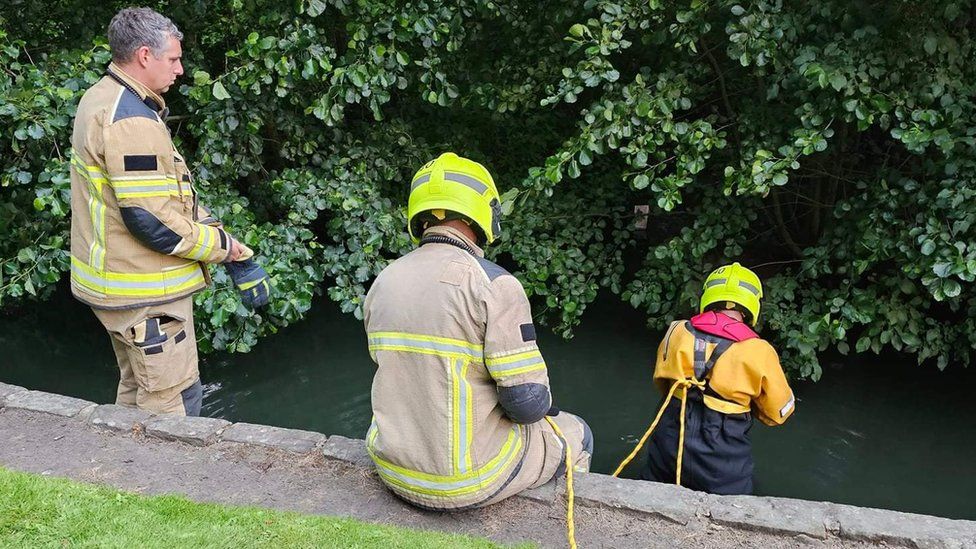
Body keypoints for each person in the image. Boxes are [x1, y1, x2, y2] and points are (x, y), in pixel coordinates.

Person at [362, 152, 593, 510]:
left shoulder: (383, 281)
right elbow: (527, 404)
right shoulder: (494, 283)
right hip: (464, 480)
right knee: (578, 431)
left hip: (392, 468)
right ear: (484, 213)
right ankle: (571, 510)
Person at [69, 7, 270, 416]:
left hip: (120, 288)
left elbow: (171, 197)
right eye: (173, 59)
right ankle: (161, 483)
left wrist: (226, 242)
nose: (180, 69)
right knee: (172, 404)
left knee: (134, 392)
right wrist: (227, 250)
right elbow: (151, 221)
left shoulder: (103, 98)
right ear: (145, 55)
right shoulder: (131, 121)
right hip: (146, 293)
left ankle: (118, 477)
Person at [640, 262, 795, 494]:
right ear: (751, 304)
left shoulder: (677, 330)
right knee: (733, 505)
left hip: (671, 434)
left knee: (654, 487)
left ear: (709, 295)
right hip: (723, 452)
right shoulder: (758, 351)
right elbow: (778, 413)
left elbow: (662, 382)